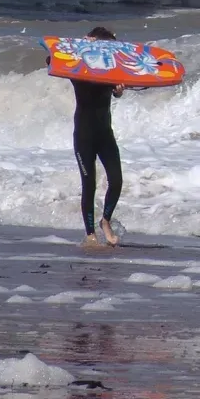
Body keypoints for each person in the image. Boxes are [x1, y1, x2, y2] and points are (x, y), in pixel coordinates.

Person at [63, 26, 126, 248]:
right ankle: (90, 234)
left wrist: (118, 91)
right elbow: (51, 58)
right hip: (84, 136)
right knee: (89, 184)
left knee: (117, 181)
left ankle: (105, 221)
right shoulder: (79, 73)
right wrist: (80, 45)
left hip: (105, 134)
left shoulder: (111, 72)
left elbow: (118, 87)